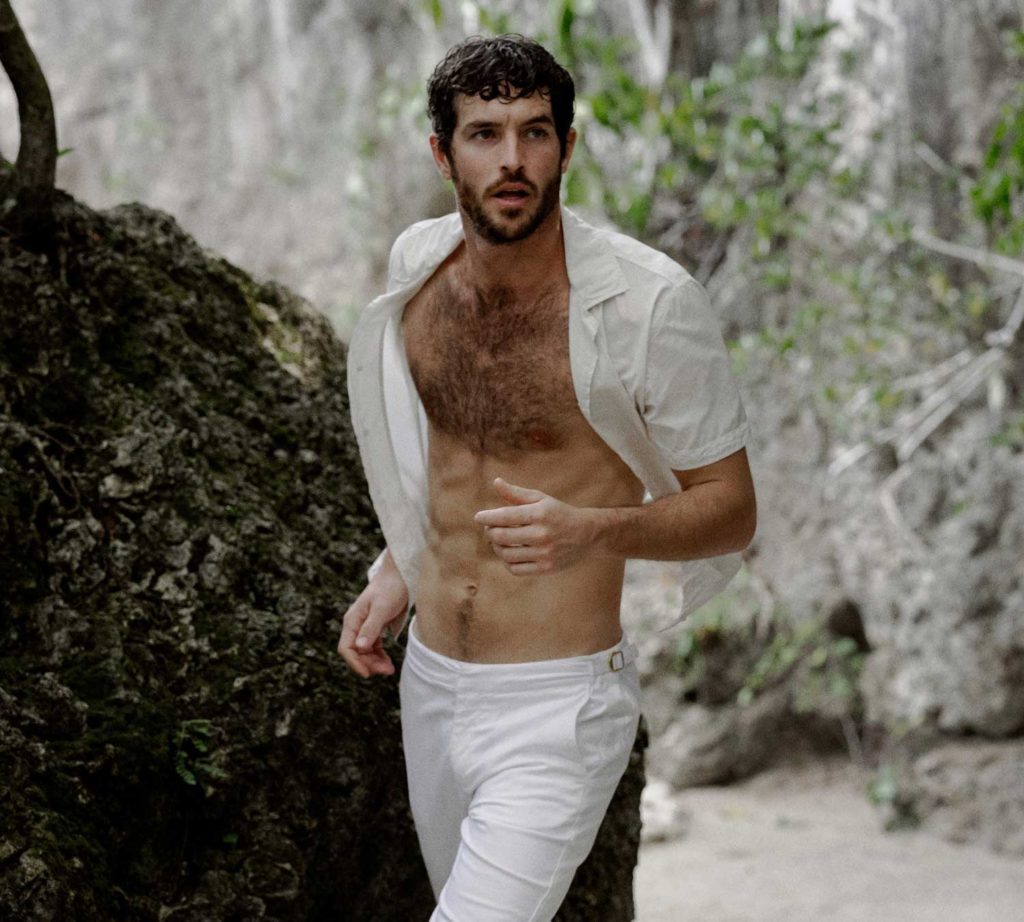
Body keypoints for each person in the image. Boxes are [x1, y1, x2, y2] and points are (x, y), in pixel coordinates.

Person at [338, 33, 756, 922]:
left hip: (557, 707)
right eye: (485, 134)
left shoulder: (650, 303)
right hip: (430, 684)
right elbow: (446, 453)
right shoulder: (418, 269)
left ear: (567, 147)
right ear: (442, 153)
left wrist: (595, 528)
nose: (513, 160)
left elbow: (730, 510)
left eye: (535, 132)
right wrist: (400, 561)